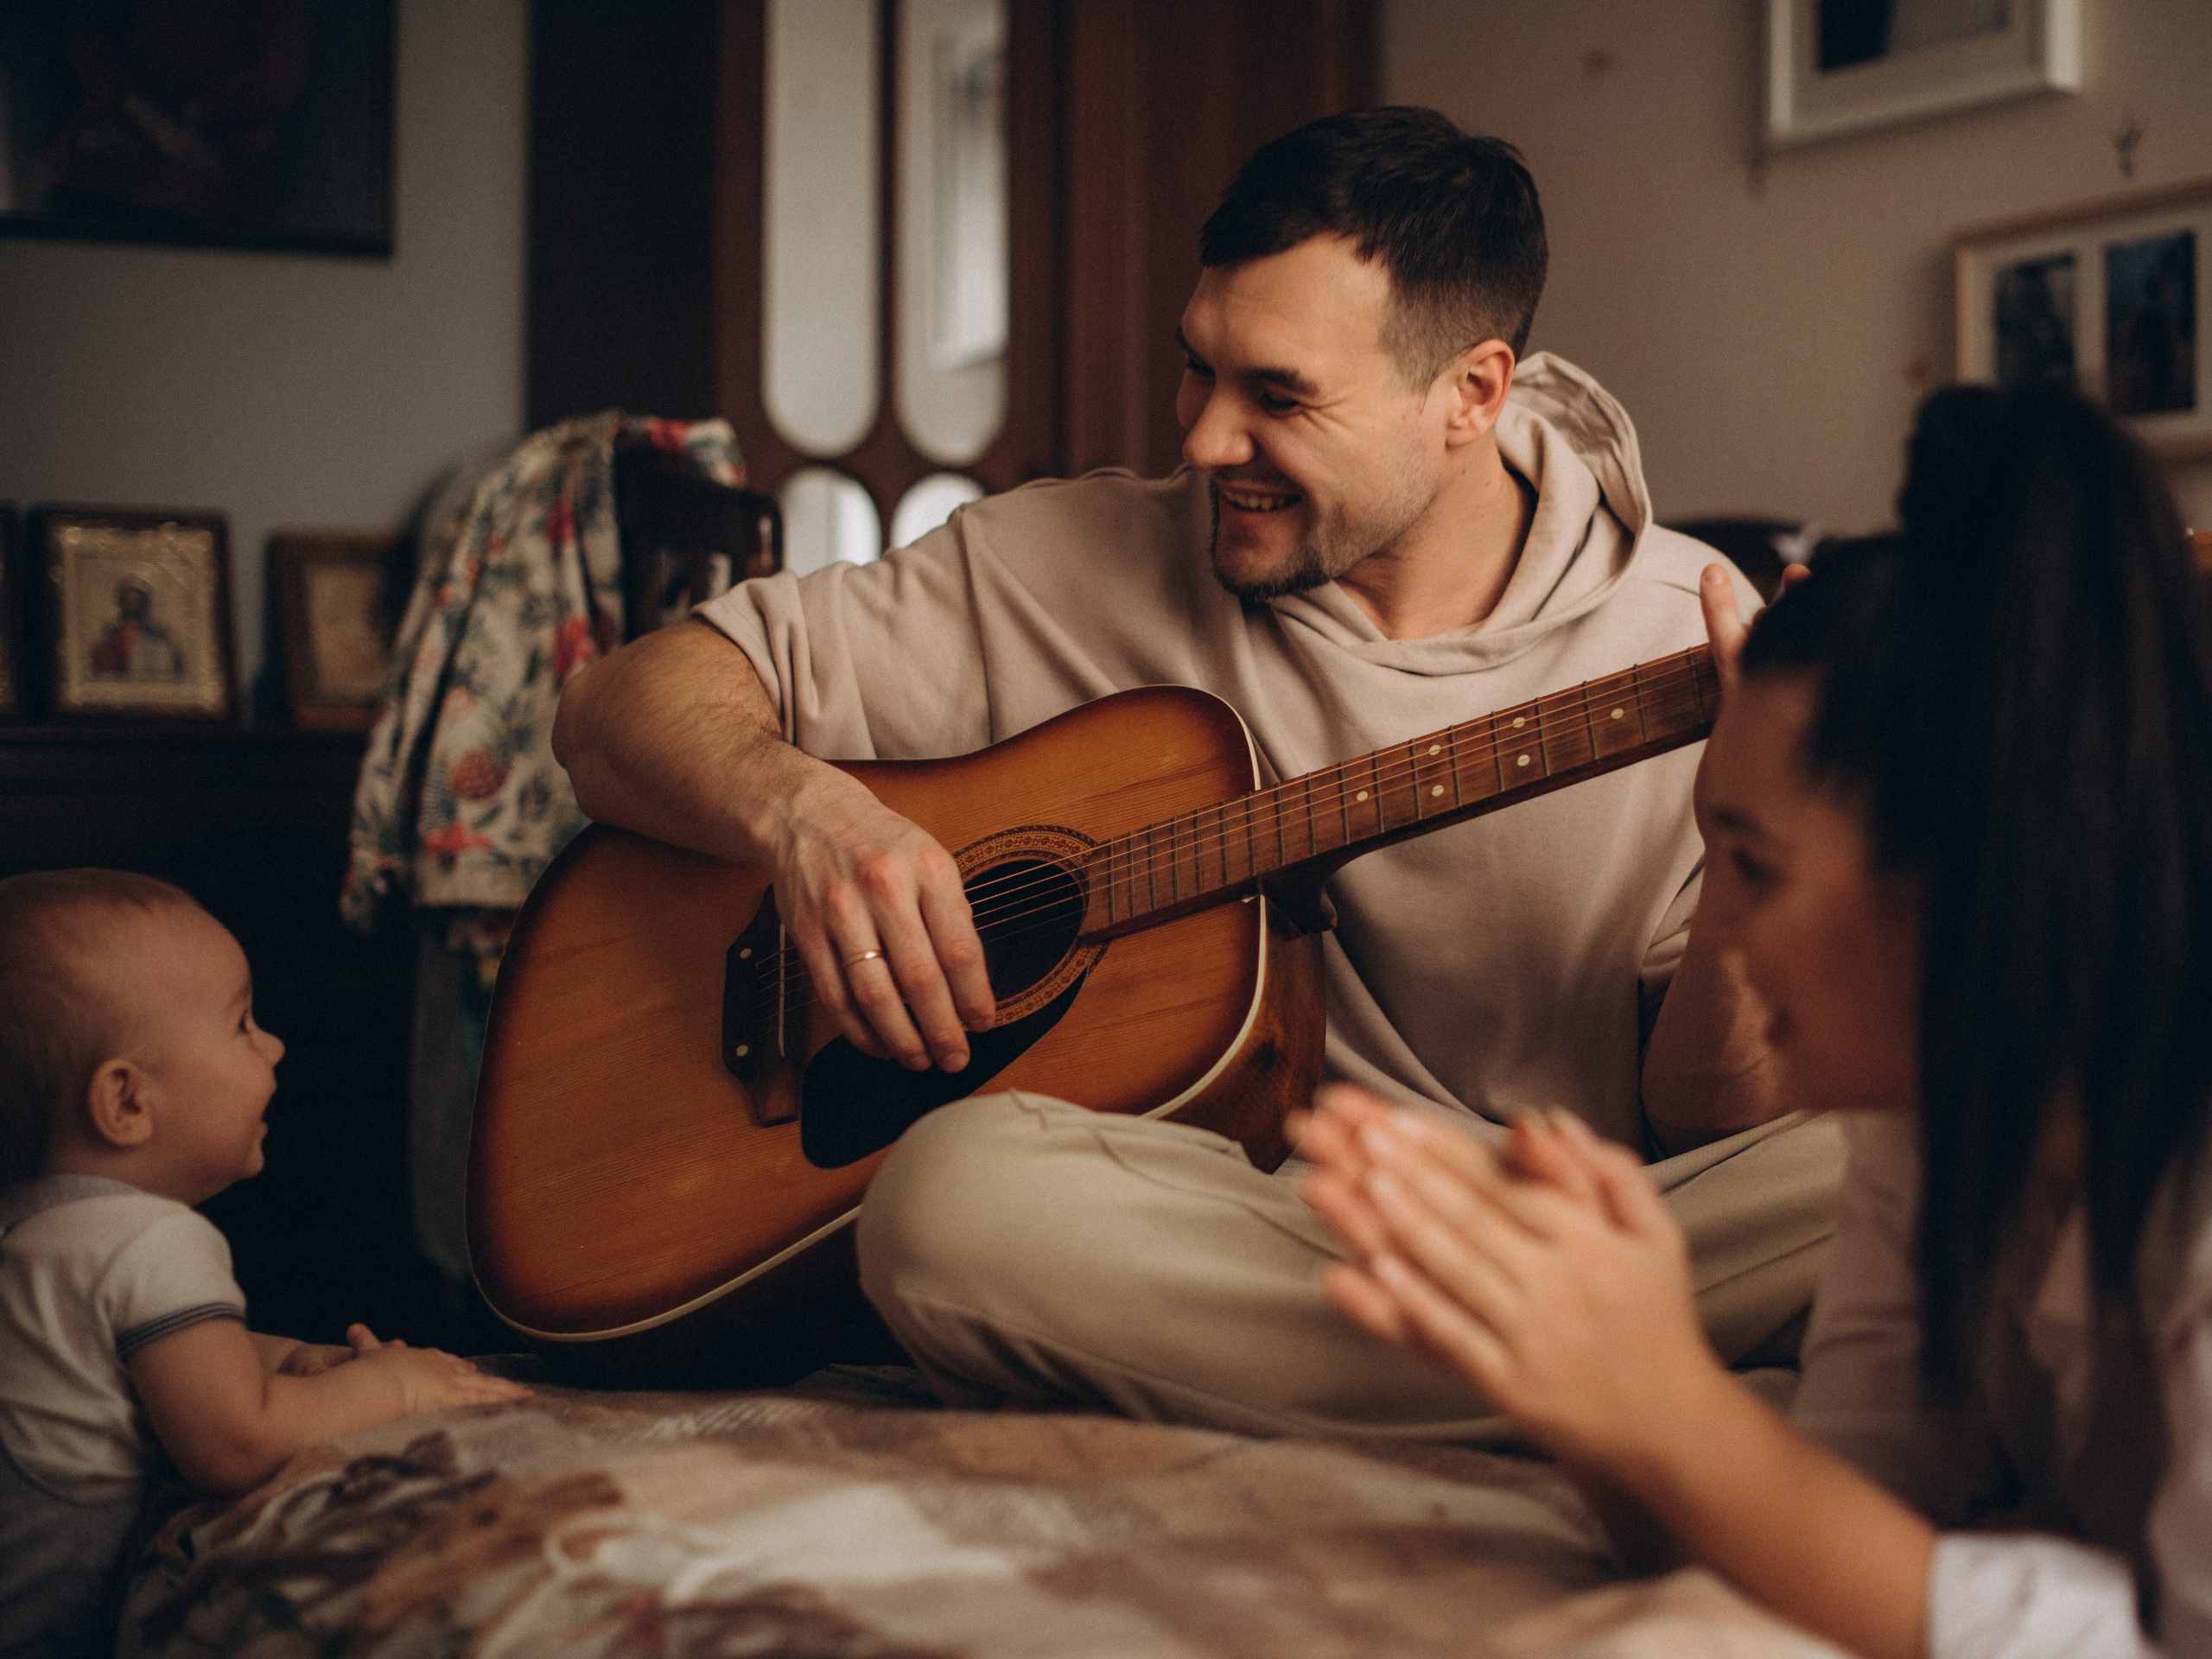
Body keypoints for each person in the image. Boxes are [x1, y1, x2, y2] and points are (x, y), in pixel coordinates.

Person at [553, 106, 1842, 1436]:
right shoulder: (1067, 558)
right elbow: (610, 711)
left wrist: (1754, 853)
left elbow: (1712, 1130)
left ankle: (1534, 1367)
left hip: (1558, 1234)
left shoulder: (1698, 637)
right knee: (949, 1200)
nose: (1203, 440)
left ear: (1471, 394)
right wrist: (803, 812)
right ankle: (1622, 1391)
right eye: (1196, 368)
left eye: (1277, 397)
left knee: (1907, 1152)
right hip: (1225, 1235)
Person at [1298, 384, 2212, 1655]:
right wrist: (1593, 1396)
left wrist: (1681, 1413)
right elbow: (1835, 1519)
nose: (1712, 932)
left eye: (1754, 867)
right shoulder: (1922, 1122)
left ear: (1973, 881)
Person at [0, 869, 531, 1657]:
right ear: (128, 1103)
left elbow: (144, 1360)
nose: (274, 1044)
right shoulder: (151, 1239)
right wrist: (393, 1386)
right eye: (243, 1024)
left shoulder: (33, 1232)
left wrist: (297, 1362)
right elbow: (235, 1444)